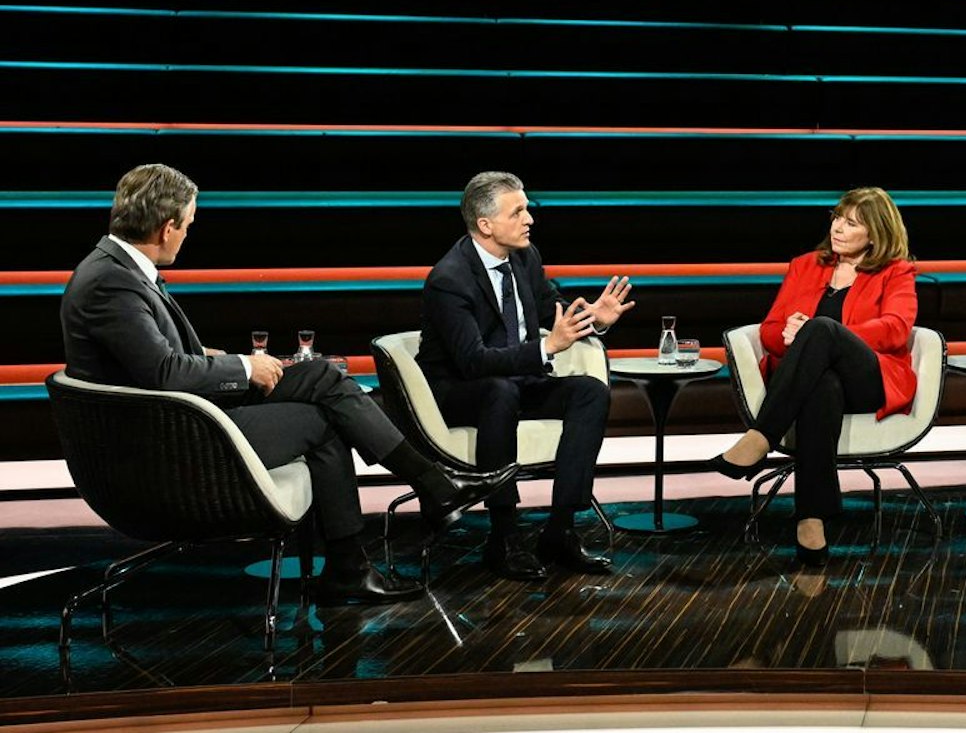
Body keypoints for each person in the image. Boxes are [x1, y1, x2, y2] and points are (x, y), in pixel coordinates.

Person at [60, 164, 514, 605]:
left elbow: (152, 358)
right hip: (169, 443)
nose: (187, 235)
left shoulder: (116, 269)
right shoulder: (111, 284)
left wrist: (215, 359)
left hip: (183, 417)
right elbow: (164, 373)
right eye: (188, 226)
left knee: (323, 376)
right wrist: (243, 368)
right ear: (166, 228)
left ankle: (419, 502)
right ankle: (412, 509)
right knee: (325, 420)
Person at [416, 171, 636, 581]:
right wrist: (545, 348)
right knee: (499, 392)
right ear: (486, 225)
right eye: (517, 212)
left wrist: (595, 319)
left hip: (517, 382)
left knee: (590, 392)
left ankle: (561, 529)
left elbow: (554, 308)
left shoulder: (525, 257)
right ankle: (503, 536)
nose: (529, 219)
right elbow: (472, 362)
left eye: (527, 209)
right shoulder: (449, 279)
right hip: (459, 391)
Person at [711, 187, 919, 567]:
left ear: (875, 234)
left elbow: (896, 329)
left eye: (851, 223)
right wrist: (790, 335)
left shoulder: (896, 271)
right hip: (816, 383)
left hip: (868, 378)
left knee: (822, 329)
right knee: (823, 385)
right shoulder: (805, 265)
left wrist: (824, 333)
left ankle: (761, 436)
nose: (837, 228)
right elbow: (768, 330)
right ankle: (811, 519)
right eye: (837, 217)